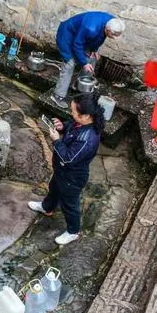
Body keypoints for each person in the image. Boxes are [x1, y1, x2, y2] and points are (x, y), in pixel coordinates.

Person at [28, 93, 104, 245]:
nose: (71, 114)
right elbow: (72, 125)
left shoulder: (87, 138)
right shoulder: (81, 123)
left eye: (74, 112)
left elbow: (68, 158)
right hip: (62, 171)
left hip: (73, 176)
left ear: (86, 116)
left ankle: (73, 231)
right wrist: (63, 126)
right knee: (54, 188)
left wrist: (56, 140)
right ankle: (47, 207)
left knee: (69, 205)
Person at [52, 12, 125, 109]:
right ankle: (57, 96)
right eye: (112, 35)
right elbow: (77, 45)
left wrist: (94, 50)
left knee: (92, 58)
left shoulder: (112, 21)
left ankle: (81, 86)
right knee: (69, 64)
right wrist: (84, 63)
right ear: (107, 29)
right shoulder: (90, 28)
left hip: (80, 35)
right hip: (67, 35)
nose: (112, 38)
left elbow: (101, 36)